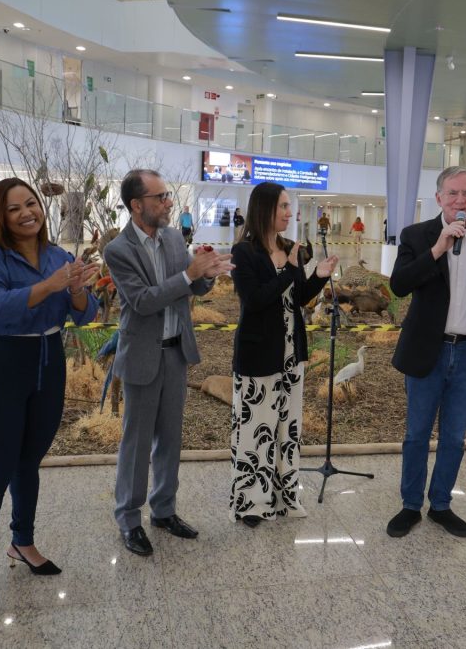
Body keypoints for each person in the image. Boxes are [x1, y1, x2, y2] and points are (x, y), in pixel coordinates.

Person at [0, 177, 100, 614]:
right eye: (13, 208)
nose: (27, 213)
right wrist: (52, 284)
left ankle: (21, 541)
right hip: (1, 363)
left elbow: (84, 316)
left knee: (29, 461)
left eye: (31, 204)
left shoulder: (58, 255)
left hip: (47, 362)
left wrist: (76, 288)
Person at [105, 169, 233, 556]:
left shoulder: (176, 237)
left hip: (176, 353)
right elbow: (143, 302)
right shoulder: (118, 250)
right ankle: (129, 518)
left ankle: (164, 511)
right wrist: (188, 274)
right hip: (143, 355)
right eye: (160, 197)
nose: (168, 202)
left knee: (170, 440)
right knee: (136, 442)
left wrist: (206, 275)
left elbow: (189, 288)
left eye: (167, 196)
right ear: (136, 204)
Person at [385, 166, 466, 539]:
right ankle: (411, 505)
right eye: (453, 193)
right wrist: (438, 248)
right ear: (439, 197)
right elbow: (399, 285)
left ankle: (440, 504)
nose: (461, 200)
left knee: (455, 437)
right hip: (428, 351)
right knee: (416, 434)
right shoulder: (417, 235)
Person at [228, 182, 338, 527]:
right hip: (258, 355)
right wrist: (290, 270)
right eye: (284, 207)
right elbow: (257, 299)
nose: (290, 213)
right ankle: (250, 503)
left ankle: (286, 496)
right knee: (255, 432)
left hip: (292, 355)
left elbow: (297, 296)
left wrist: (318, 276)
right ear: (265, 210)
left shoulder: (291, 248)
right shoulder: (243, 253)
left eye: (290, 207)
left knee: (287, 431)